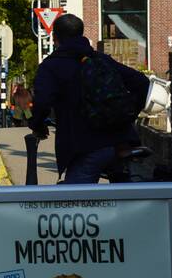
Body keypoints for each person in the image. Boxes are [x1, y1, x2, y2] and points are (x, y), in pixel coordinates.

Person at [28, 13, 149, 185]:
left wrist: (38, 125)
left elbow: (42, 103)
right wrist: (129, 114)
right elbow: (142, 82)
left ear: (55, 38)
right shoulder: (101, 60)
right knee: (125, 198)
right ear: (81, 34)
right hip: (121, 141)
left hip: (85, 145)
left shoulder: (51, 67)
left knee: (77, 203)